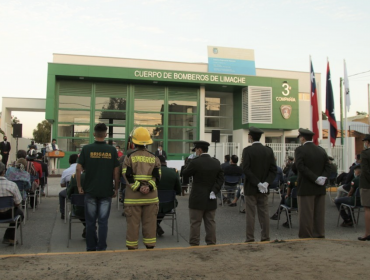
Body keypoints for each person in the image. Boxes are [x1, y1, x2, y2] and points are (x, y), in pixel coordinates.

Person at [76, 123, 120, 251]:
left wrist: (79, 186)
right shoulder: (112, 150)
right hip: (106, 191)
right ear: (106, 134)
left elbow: (78, 168)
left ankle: (90, 247)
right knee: (103, 222)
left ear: (94, 134)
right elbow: (116, 171)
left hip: (90, 190)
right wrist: (116, 188)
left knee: (90, 222)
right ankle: (101, 246)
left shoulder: (86, 149)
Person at [122, 127, 161, 250]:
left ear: (134, 142)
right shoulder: (154, 157)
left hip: (133, 198)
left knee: (133, 225)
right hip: (151, 197)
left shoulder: (129, 157)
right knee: (150, 223)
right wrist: (148, 187)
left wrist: (139, 188)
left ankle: (133, 248)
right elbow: (157, 177)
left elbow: (126, 175)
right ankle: (150, 247)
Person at [182, 140, 224, 246]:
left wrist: (188, 162)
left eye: (196, 150)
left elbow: (185, 173)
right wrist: (214, 190)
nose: (195, 152)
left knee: (195, 222)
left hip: (197, 197)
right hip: (211, 196)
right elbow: (220, 178)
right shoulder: (216, 162)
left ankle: (194, 243)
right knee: (210, 222)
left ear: (199, 150)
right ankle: (211, 242)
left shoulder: (195, 162)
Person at [295, 128, 331, 239]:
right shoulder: (321, 150)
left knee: (306, 214)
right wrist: (322, 178)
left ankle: (306, 236)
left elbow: (300, 167)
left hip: (306, 187)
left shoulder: (300, 150)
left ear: (302, 138)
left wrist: (315, 178)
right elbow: (329, 166)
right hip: (320, 187)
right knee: (319, 214)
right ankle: (319, 234)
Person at [242, 127, 277, 242]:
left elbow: (246, 169)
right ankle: (265, 237)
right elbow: (273, 170)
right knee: (264, 213)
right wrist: (266, 183)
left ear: (251, 137)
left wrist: (257, 183)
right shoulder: (268, 150)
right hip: (264, 188)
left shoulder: (247, 150)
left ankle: (250, 238)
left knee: (250, 214)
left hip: (251, 187)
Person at [156, 155, 181, 236]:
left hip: (153, 203)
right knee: (164, 206)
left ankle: (155, 224)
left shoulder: (153, 172)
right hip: (169, 203)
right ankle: (156, 224)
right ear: (165, 162)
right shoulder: (173, 172)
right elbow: (179, 191)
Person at [0, 162, 24, 245]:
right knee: (20, 214)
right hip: (9, 213)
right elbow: (18, 202)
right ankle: (9, 236)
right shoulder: (12, 185)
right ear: (4, 171)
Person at [67, 171, 86, 238]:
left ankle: (88, 227)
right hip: (96, 210)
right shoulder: (98, 177)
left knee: (80, 211)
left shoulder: (75, 178)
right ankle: (89, 227)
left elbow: (68, 194)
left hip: (79, 209)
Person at [59, 154, 78, 219]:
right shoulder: (83, 171)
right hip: (81, 194)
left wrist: (70, 184)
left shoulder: (66, 171)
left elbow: (62, 185)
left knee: (61, 194)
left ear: (69, 161)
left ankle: (62, 212)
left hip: (70, 193)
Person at [358, 134, 370, 241]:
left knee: (367, 208)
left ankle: (367, 233)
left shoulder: (365, 153)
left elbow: (365, 170)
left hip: (367, 184)